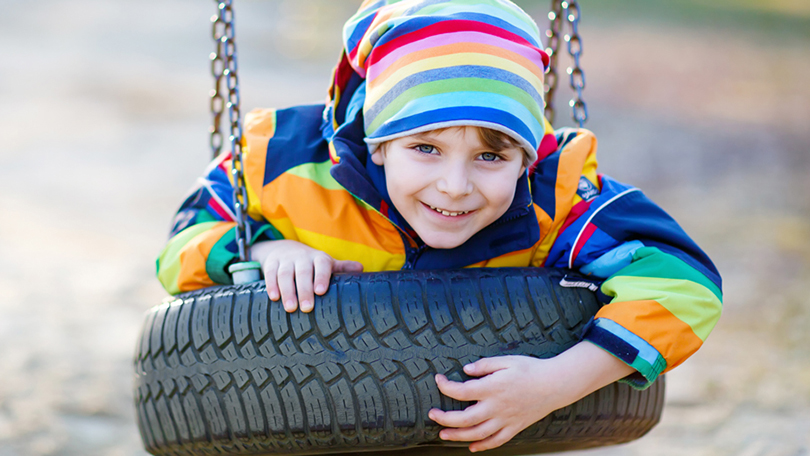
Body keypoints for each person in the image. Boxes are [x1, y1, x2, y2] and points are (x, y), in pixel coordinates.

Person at [156, 0, 722, 452]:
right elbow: (180, 246)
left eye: (491, 157)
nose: (455, 185)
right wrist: (263, 252)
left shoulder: (558, 204)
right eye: (425, 147)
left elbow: (685, 282)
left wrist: (560, 382)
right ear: (377, 144)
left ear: (529, 159)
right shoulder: (282, 170)